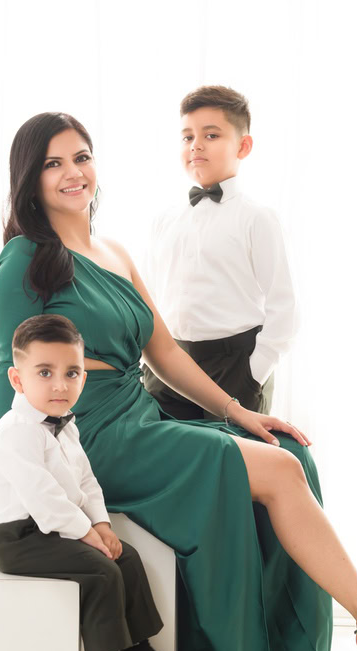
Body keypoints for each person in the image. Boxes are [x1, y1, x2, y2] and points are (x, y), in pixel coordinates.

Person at [0, 111, 357, 651]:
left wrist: (239, 413)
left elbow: (164, 350)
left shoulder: (113, 251)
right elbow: (4, 372)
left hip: (137, 412)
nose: (73, 173)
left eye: (82, 157)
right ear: (29, 179)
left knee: (288, 454)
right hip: (90, 435)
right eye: (54, 163)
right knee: (279, 475)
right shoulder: (24, 259)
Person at [0, 312, 192, 651]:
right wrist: (86, 534)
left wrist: (103, 526)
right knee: (99, 571)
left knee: (126, 558)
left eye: (72, 372)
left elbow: (85, 482)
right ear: (18, 379)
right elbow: (44, 499)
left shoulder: (66, 427)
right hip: (19, 536)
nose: (60, 384)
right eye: (45, 372)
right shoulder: (16, 431)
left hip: (56, 527)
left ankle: (136, 649)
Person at [143, 85, 297, 420]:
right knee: (170, 465)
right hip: (169, 366)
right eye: (187, 137)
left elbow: (283, 307)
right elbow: (150, 296)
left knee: (233, 465)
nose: (196, 144)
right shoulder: (163, 220)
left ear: (243, 146)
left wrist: (253, 374)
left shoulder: (258, 218)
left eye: (211, 135)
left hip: (235, 367)